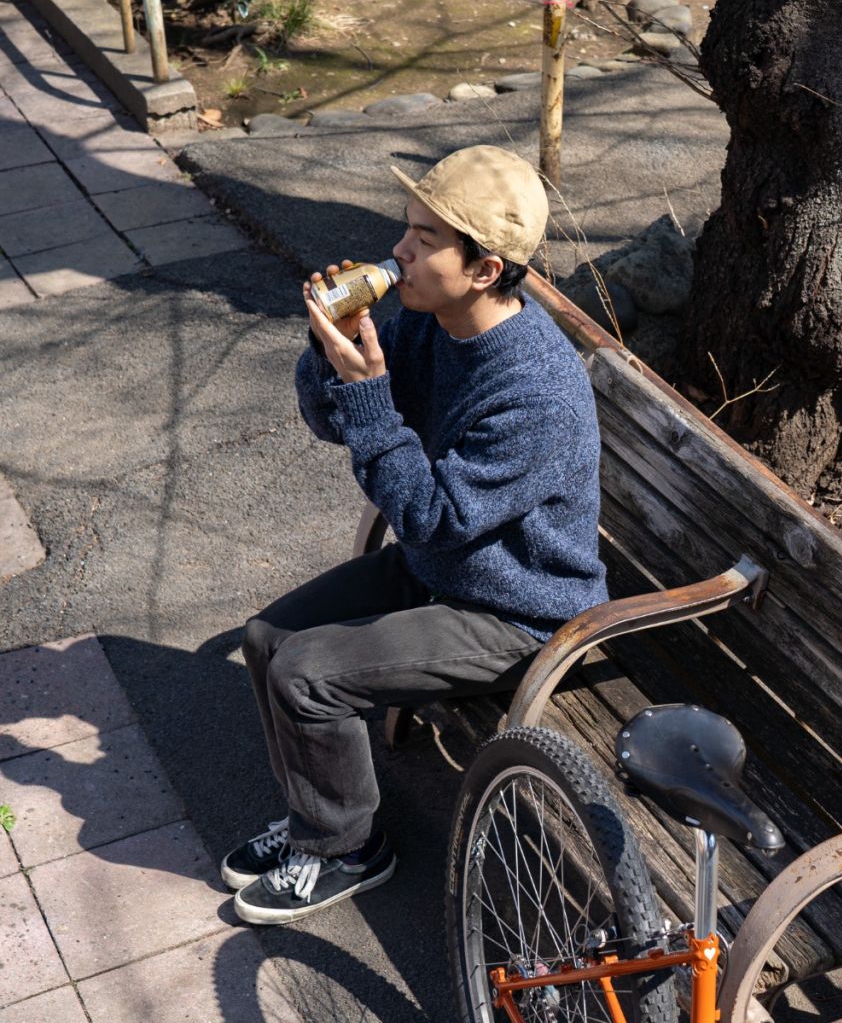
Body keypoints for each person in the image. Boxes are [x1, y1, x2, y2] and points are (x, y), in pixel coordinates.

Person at [222, 144, 609, 925]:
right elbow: (332, 423)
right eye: (408, 228)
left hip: (517, 609)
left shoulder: (535, 390)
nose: (399, 251)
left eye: (426, 238)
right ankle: (315, 822)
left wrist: (370, 399)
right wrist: (328, 346)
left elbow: (429, 513)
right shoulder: (431, 326)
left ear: (485, 269)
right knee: (268, 637)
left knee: (306, 673)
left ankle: (345, 849)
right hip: (448, 568)